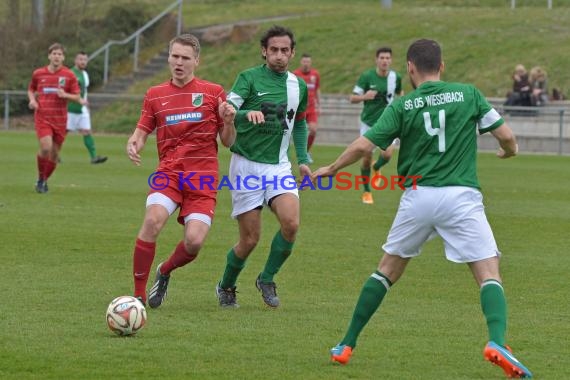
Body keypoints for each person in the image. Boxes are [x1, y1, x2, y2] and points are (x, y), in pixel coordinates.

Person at [312, 39, 532, 378]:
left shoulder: (403, 105)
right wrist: (511, 150)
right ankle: (497, 341)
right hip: (460, 196)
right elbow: (505, 134)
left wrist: (331, 168)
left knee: (386, 270)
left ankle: (346, 344)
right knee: (488, 272)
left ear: (410, 69)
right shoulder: (468, 94)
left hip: (418, 197)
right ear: (441, 66)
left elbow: (364, 144)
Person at [126, 34, 236, 308]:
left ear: (196, 61)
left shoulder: (213, 93)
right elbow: (142, 131)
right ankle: (138, 296)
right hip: (169, 174)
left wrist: (228, 121)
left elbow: (228, 141)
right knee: (152, 222)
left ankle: (164, 271)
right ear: (169, 57)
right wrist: (134, 143)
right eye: (174, 56)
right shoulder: (154, 95)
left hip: (202, 179)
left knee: (194, 242)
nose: (179, 62)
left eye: (185, 58)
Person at [214, 25, 311, 309]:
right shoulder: (249, 78)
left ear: (292, 53)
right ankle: (226, 285)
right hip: (245, 165)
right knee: (250, 240)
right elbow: (226, 111)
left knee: (291, 224)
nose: (279, 56)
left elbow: (300, 122)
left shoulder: (298, 86)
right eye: (274, 50)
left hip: (279, 167)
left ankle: (266, 278)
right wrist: (246, 113)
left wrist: (303, 159)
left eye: (284, 51)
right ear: (264, 51)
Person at [350, 47, 402, 204]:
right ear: (376, 60)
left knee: (387, 155)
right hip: (369, 124)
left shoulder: (395, 77)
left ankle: (377, 167)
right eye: (382, 58)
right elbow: (352, 98)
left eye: (387, 58)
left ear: (391, 60)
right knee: (366, 158)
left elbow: (401, 94)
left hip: (388, 124)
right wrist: (364, 97)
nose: (385, 61)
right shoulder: (367, 76)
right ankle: (366, 191)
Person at [28, 42, 80, 193]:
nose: (56, 56)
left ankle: (43, 181)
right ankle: (40, 179)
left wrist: (66, 95)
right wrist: (32, 100)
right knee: (45, 147)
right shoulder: (38, 73)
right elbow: (31, 88)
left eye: (59, 54)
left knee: (55, 154)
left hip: (60, 119)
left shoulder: (69, 75)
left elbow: (77, 96)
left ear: (63, 57)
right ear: (49, 56)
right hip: (43, 116)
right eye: (54, 53)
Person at [67, 51, 108, 164]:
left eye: (85, 60)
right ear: (75, 60)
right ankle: (54, 155)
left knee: (86, 131)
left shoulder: (85, 74)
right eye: (80, 59)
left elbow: (84, 91)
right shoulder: (70, 73)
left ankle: (94, 157)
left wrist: (86, 103)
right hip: (71, 108)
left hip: (83, 109)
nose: (83, 62)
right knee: (62, 133)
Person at [293, 53, 321, 164]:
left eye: (308, 62)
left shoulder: (315, 74)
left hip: (311, 108)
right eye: (304, 61)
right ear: (301, 62)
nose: (306, 64)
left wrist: (320, 104)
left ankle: (306, 152)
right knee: (294, 132)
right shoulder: (295, 74)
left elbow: (317, 89)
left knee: (313, 130)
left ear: (311, 63)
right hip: (299, 108)